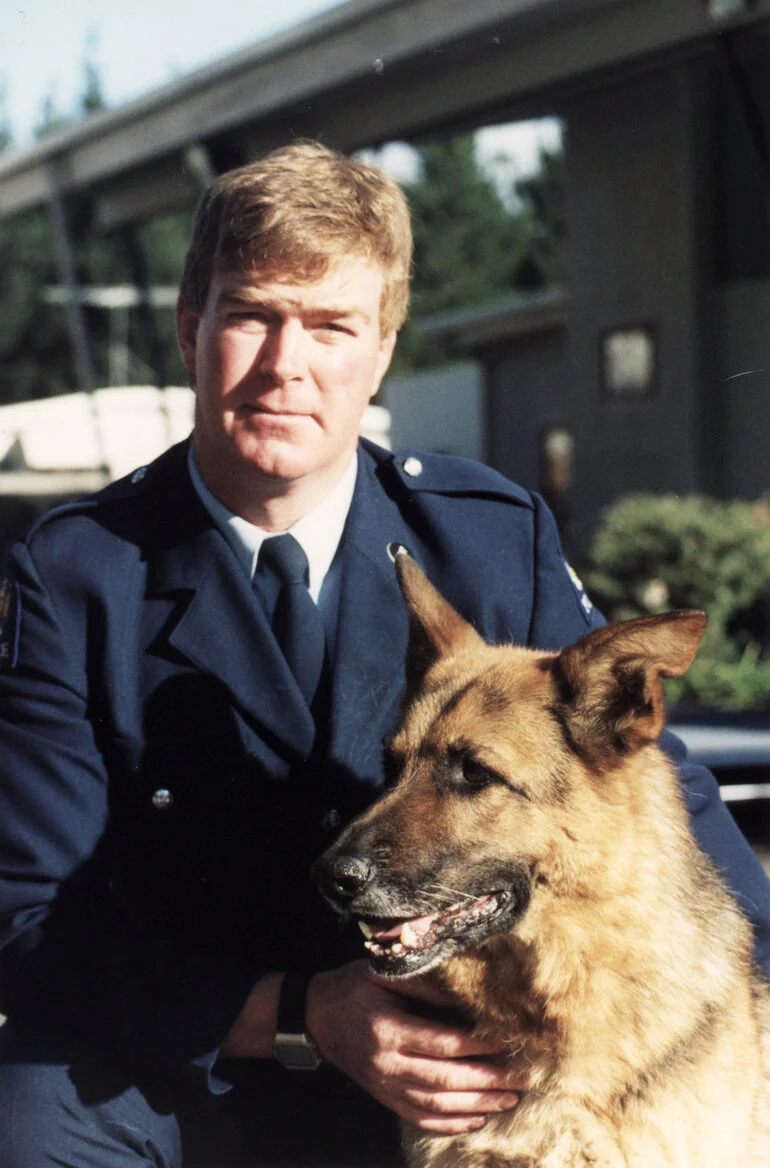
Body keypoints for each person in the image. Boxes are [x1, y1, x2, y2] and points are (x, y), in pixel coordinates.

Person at [0, 141, 768, 1168]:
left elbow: (632, 777)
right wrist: (296, 1014)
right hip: (193, 1069)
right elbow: (26, 917)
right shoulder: (74, 574)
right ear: (190, 327)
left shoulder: (486, 534)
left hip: (451, 1053)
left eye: (329, 326)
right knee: (32, 1120)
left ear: (383, 347)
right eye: (250, 315)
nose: (286, 365)